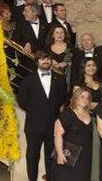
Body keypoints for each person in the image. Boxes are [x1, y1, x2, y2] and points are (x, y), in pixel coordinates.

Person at [17, 51, 67, 181]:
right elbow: (21, 101)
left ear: (51, 61)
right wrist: (37, 112)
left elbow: (62, 99)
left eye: (48, 59)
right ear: (37, 62)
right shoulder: (28, 80)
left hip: (52, 125)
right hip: (34, 126)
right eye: (42, 59)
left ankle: (50, 178)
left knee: (51, 156)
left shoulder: (59, 79)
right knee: (33, 156)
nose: (45, 61)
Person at [53, 87, 93, 181]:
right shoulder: (67, 114)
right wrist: (59, 153)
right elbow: (57, 134)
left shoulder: (90, 115)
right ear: (76, 98)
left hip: (85, 157)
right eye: (82, 96)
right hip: (69, 155)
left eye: (87, 98)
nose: (85, 100)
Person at [11, 4, 48, 72]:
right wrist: (25, 44)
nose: (23, 13)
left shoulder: (46, 25)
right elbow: (14, 41)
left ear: (34, 12)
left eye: (26, 11)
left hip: (44, 63)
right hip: (27, 64)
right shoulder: (20, 26)